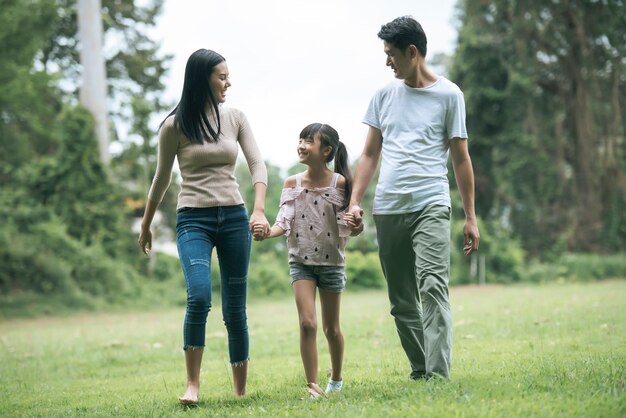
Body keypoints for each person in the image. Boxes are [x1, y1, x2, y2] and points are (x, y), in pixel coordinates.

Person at [347, 16, 480, 380]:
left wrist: (470, 216)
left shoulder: (450, 95)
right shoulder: (383, 95)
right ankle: (421, 368)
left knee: (433, 287)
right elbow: (370, 154)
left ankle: (438, 375)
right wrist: (355, 201)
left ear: (412, 52)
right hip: (388, 209)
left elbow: (461, 158)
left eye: (391, 54)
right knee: (402, 301)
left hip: (431, 204)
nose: (386, 61)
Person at [138, 48, 270, 404]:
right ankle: (192, 385)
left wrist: (258, 210)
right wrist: (146, 224)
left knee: (235, 308)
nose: (228, 82)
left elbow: (257, 164)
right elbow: (161, 180)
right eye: (222, 76)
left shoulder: (236, 117)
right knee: (198, 296)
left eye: (228, 76)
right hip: (193, 218)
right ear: (202, 78)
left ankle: (240, 390)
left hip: (234, 218)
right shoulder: (174, 125)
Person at [253, 123, 362, 399]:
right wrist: (267, 232)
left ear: (326, 150)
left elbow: (352, 226)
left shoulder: (340, 183)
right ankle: (313, 386)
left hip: (332, 263)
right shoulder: (292, 183)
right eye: (300, 140)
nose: (301, 145)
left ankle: (336, 379)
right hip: (300, 261)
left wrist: (357, 223)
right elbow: (283, 223)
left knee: (331, 328)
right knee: (307, 324)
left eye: (308, 141)